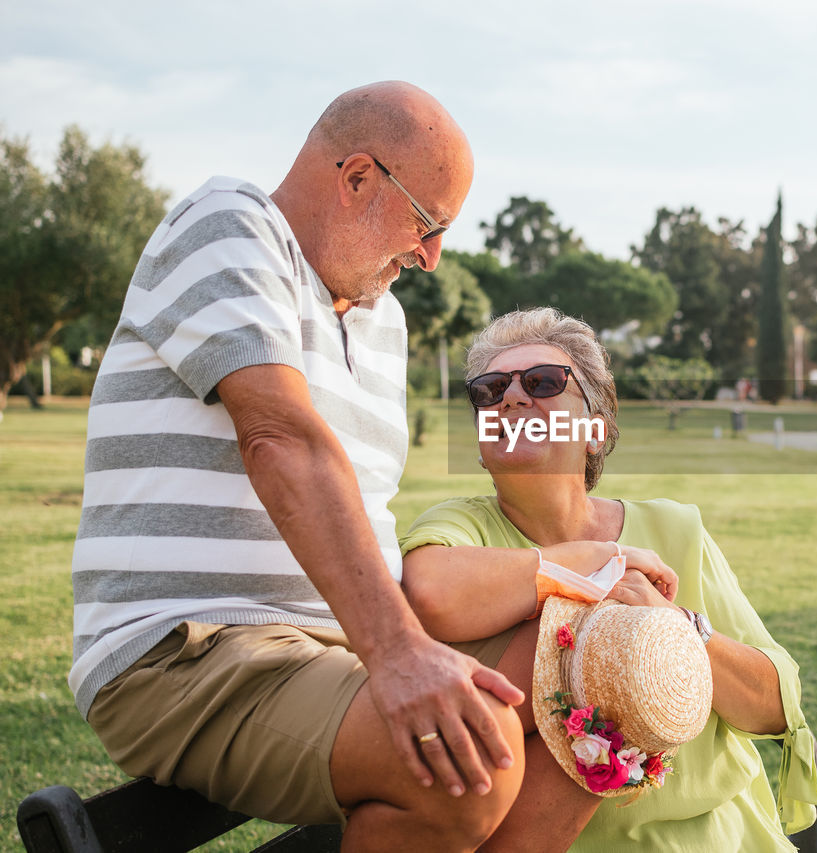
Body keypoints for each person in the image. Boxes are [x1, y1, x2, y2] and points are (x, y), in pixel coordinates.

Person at [70, 82, 526, 852]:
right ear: (355, 178)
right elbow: (280, 437)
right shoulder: (228, 226)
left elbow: (363, 512)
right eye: (425, 222)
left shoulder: (385, 322)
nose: (430, 255)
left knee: (581, 680)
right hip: (189, 646)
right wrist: (399, 651)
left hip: (328, 643)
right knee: (472, 762)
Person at [399, 307, 817, 851]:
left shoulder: (675, 528)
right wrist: (601, 561)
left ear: (594, 432)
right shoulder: (458, 527)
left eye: (544, 382)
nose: (512, 398)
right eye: (490, 389)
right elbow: (430, 588)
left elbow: (775, 706)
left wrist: (676, 629)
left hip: (726, 837)